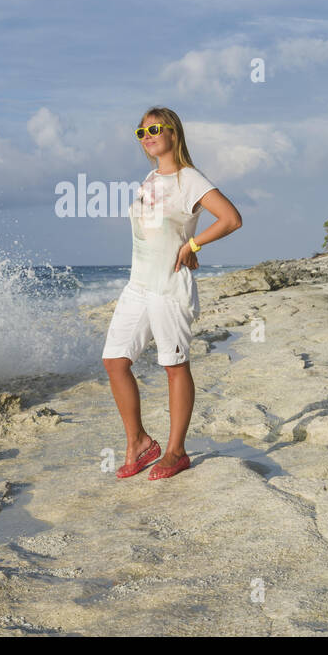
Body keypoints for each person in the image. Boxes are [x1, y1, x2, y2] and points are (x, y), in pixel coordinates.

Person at [101, 106, 242, 480]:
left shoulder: (189, 179)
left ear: (174, 134)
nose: (147, 136)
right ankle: (139, 443)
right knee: (115, 361)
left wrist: (192, 246)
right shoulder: (148, 180)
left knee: (174, 366)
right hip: (138, 287)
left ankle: (177, 451)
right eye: (141, 132)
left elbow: (230, 218)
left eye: (155, 129)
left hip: (168, 287)